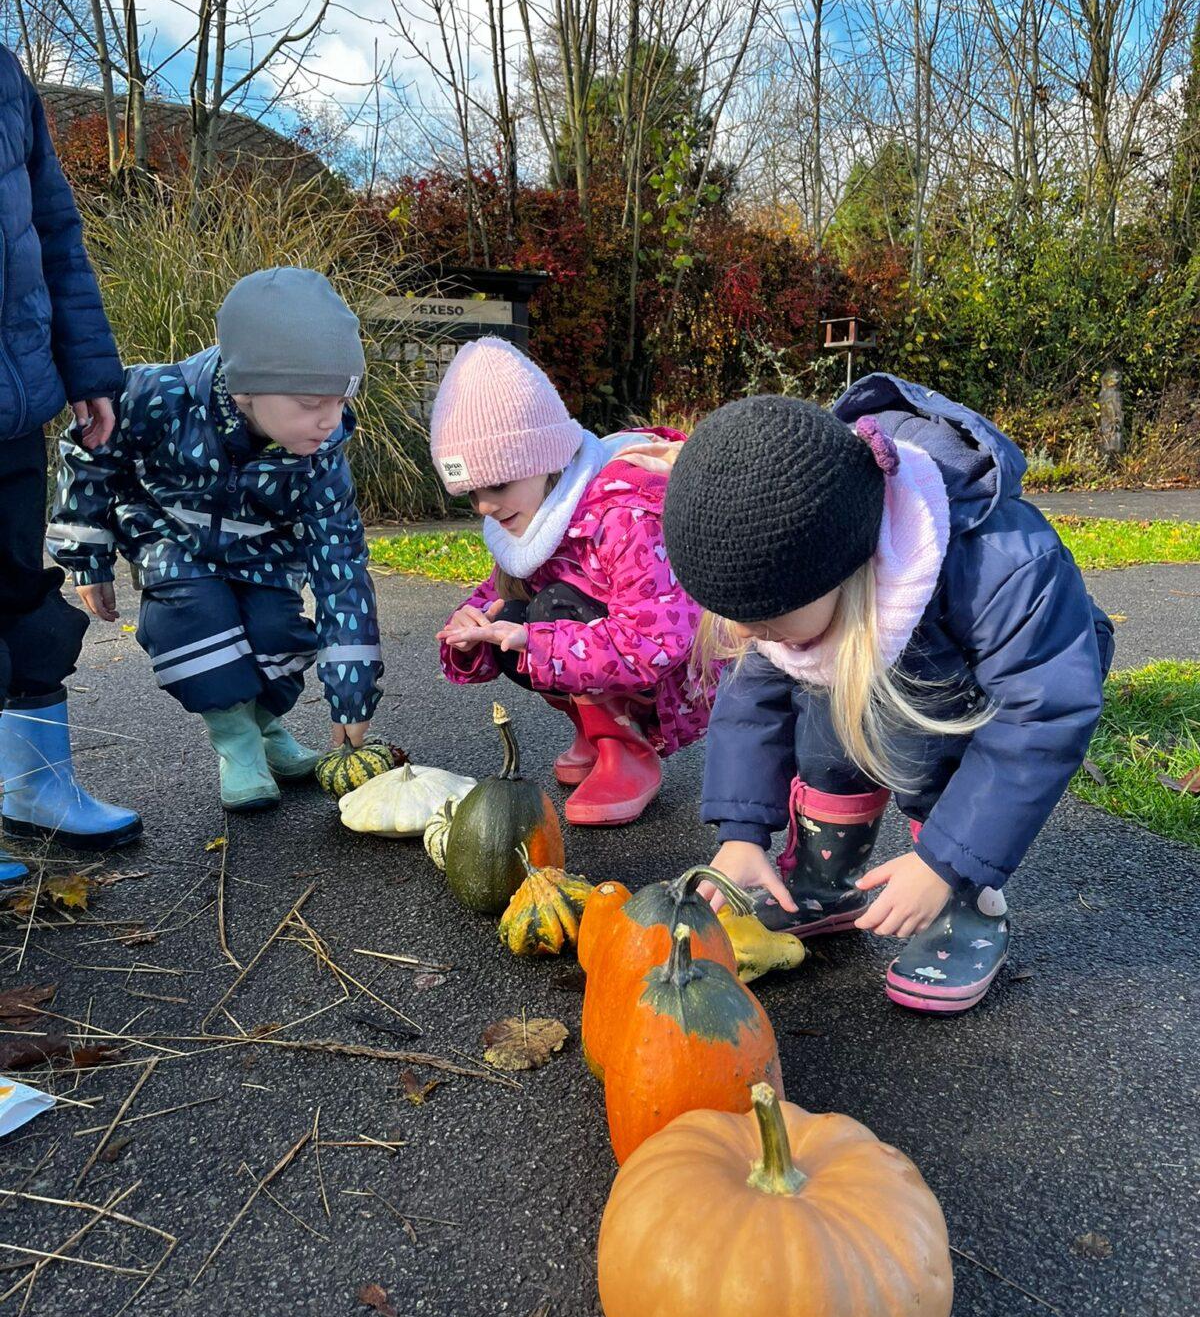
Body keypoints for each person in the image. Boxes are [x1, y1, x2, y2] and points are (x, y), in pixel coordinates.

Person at [661, 375, 1115, 1014]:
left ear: (848, 570)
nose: (741, 632)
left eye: (763, 619)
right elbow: (752, 704)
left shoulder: (1002, 564)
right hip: (883, 657)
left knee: (924, 735)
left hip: (981, 687)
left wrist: (944, 863)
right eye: (732, 615)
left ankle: (964, 902)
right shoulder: (784, 595)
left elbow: (1037, 716)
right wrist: (741, 833)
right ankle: (829, 874)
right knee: (816, 714)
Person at [48, 267, 384, 813]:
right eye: (309, 404)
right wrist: (87, 554)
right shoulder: (157, 397)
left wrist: (352, 691)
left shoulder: (320, 457)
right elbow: (90, 453)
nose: (330, 421)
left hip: (262, 554)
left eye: (340, 400)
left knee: (278, 633)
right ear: (246, 384)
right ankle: (237, 744)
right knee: (194, 619)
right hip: (170, 537)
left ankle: (267, 731)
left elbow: (340, 565)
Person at [431, 336, 712, 826]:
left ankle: (628, 751)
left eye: (496, 486)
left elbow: (655, 641)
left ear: (546, 460)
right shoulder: (536, 510)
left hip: (676, 672)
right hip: (607, 644)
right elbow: (501, 593)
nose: (484, 507)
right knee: (514, 612)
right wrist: (471, 628)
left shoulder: (624, 515)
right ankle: (595, 726)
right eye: (470, 494)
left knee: (545, 615)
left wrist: (532, 640)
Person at [0, 44, 141, 883]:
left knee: (20, 596)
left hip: (16, 400)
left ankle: (35, 786)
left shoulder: (7, 77)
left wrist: (86, 369)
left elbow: (53, 224)